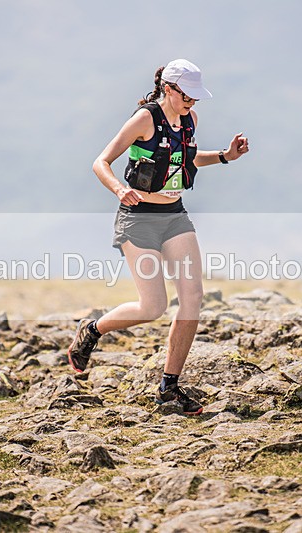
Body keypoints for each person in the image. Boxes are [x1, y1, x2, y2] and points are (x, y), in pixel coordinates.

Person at [67, 59, 250, 415]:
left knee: (193, 298)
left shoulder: (190, 121)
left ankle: (169, 388)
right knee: (153, 307)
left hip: (174, 217)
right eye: (187, 96)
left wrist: (226, 156)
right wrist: (120, 189)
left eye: (196, 98)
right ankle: (90, 331)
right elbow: (100, 162)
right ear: (169, 88)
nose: (192, 103)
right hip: (138, 219)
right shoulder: (144, 120)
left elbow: (187, 161)